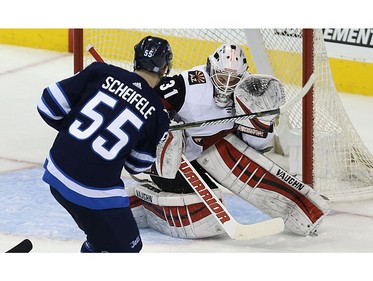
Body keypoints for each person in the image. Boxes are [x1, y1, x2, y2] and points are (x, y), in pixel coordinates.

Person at [128, 43, 330, 239]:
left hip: (208, 152)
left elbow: (258, 149)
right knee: (201, 218)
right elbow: (144, 103)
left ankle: (304, 209)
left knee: (239, 160)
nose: (226, 84)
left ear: (243, 77)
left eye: (233, 79)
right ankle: (141, 203)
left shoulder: (249, 93)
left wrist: (260, 122)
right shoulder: (189, 83)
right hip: (168, 161)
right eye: (222, 76)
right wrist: (162, 118)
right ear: (210, 70)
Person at [37, 35, 173, 252]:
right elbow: (137, 166)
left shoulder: (100, 71)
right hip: (92, 191)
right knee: (129, 247)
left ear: (136, 59)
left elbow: (48, 105)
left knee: (102, 240)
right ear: (165, 69)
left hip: (55, 169)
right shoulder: (158, 114)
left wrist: (75, 135)